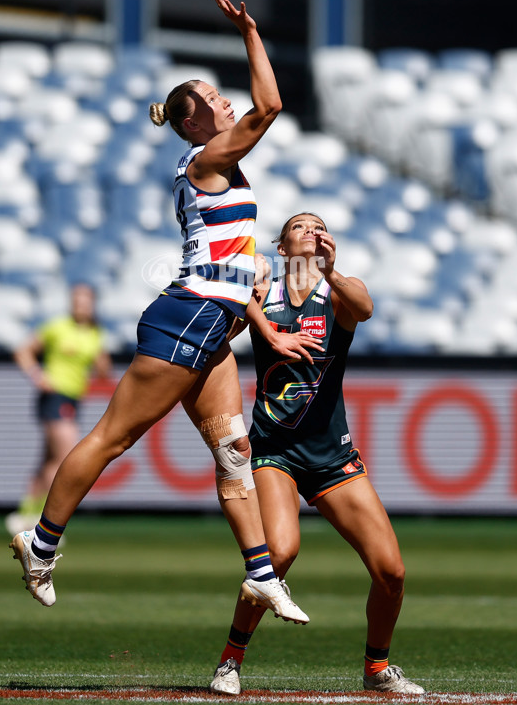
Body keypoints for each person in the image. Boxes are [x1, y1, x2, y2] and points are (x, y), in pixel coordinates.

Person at [9, 0, 315, 626]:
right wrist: (252, 34)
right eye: (210, 97)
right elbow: (272, 106)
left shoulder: (211, 163)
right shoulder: (208, 159)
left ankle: (261, 574)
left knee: (234, 452)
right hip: (188, 320)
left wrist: (258, 315)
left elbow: (234, 265)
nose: (223, 100)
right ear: (191, 121)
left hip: (213, 324)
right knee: (112, 438)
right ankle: (39, 545)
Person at [209, 212, 425, 696]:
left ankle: (376, 669)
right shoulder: (266, 290)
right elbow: (222, 335)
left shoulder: (339, 289)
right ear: (282, 248)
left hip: (332, 456)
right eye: (298, 226)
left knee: (391, 571)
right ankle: (230, 660)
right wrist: (257, 318)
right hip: (275, 452)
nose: (310, 230)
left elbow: (365, 309)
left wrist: (329, 269)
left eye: (318, 225)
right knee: (279, 553)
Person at [5, 283, 113, 536]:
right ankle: (45, 523)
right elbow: (24, 351)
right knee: (64, 458)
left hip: (73, 400)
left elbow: (103, 370)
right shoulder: (57, 327)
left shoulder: (94, 334)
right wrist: (37, 375)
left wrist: (101, 355)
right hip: (55, 396)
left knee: (48, 460)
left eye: (85, 301)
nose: (80, 305)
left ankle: (25, 515)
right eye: (76, 300)